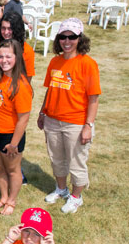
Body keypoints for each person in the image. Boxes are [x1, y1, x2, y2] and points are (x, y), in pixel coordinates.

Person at [37, 18, 100, 214]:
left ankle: (76, 197)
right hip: (53, 120)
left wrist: (88, 125)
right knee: (57, 158)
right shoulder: (55, 61)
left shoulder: (88, 64)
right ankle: (61, 189)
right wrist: (42, 112)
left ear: (79, 39)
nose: (67, 41)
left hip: (76, 123)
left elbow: (94, 98)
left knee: (76, 161)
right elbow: (50, 90)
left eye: (72, 37)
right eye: (63, 36)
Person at [0, 40, 32, 216]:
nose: (4, 60)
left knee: (12, 169)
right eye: (1, 56)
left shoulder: (20, 85)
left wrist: (13, 144)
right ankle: (3, 197)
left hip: (10, 135)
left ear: (17, 57)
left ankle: (12, 201)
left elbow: (23, 119)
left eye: (8, 56)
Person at [0, 12, 35, 82]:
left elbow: (27, 79)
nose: (6, 32)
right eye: (3, 28)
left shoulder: (27, 50)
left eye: (10, 29)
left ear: (17, 29)